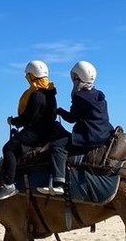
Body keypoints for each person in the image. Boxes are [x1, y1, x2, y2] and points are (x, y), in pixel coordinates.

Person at [37, 60, 113, 197]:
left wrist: (59, 111)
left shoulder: (80, 96)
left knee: (58, 146)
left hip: (90, 137)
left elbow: (72, 118)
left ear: (77, 77)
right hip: (104, 134)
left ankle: (58, 183)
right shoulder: (99, 94)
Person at [0, 60, 66, 201]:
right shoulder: (50, 92)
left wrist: (13, 121)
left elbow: (27, 117)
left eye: (28, 75)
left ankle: (9, 185)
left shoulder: (37, 95)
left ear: (32, 76)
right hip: (50, 130)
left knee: (8, 148)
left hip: (36, 132)